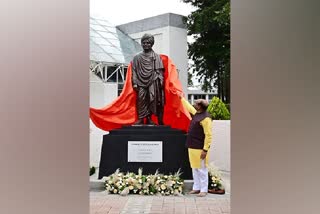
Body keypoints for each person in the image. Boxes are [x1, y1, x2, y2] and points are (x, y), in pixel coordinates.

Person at [180, 95, 213, 197]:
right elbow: (188, 107)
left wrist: (205, 149)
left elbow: (208, 135)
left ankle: (204, 190)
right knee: (194, 168)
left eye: (196, 103)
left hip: (200, 149)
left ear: (200, 106)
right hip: (192, 147)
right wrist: (180, 97)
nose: (193, 104)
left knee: (202, 169)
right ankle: (196, 188)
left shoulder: (206, 118)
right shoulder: (197, 114)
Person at [131, 34, 165, 125]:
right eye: (144, 43)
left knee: (152, 99)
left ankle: (149, 119)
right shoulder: (137, 57)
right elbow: (134, 70)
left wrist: (161, 80)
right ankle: (141, 119)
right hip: (140, 82)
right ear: (141, 43)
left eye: (148, 43)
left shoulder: (156, 57)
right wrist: (134, 82)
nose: (146, 44)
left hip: (153, 80)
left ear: (151, 44)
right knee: (141, 99)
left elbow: (160, 71)